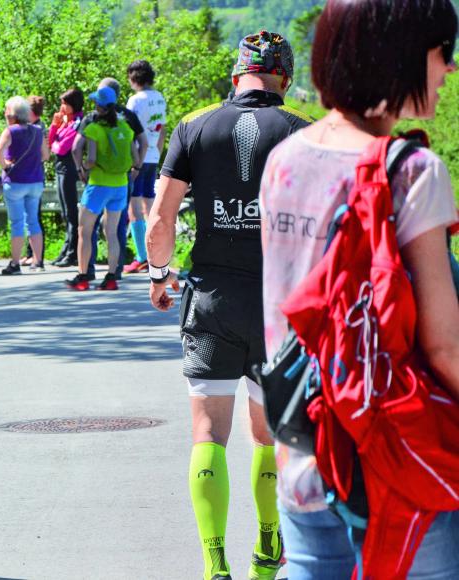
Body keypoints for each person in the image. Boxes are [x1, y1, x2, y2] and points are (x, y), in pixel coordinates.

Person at [259, 2, 459, 576]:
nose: (448, 69)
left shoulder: (284, 159)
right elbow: (443, 346)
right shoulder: (413, 171)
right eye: (441, 52)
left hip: (304, 445)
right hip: (396, 460)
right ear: (397, 54)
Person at [146, 31, 310, 580]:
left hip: (211, 297)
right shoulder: (303, 133)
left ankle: (215, 564)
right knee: (269, 435)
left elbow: (160, 219)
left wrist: (158, 273)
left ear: (235, 76)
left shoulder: (194, 126)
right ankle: (268, 549)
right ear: (283, 78)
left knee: (208, 433)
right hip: (278, 305)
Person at [72, 77, 147, 280]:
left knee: (87, 229)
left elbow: (76, 147)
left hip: (97, 182)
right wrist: (137, 167)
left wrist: (81, 169)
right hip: (122, 180)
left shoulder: (92, 121)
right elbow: (143, 142)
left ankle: (86, 271)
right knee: (115, 229)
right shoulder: (127, 119)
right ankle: (115, 272)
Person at [0, 96, 49, 275]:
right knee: (33, 221)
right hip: (35, 182)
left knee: (17, 223)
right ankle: (38, 262)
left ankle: (15, 263)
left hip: (15, 182)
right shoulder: (37, 131)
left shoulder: (10, 131)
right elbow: (46, 155)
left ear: (12, 114)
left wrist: (6, 165)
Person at [123, 60, 167, 274]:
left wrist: (134, 160)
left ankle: (142, 256)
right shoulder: (159, 98)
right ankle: (156, 255)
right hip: (153, 156)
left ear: (133, 78)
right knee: (150, 207)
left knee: (134, 208)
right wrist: (157, 153)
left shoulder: (135, 100)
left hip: (138, 158)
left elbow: (130, 131)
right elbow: (163, 129)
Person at [50, 88, 85, 268]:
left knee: (71, 213)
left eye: (65, 103)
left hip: (69, 169)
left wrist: (56, 142)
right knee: (65, 212)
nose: (62, 107)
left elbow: (62, 148)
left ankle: (72, 253)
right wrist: (55, 125)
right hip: (60, 168)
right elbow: (51, 144)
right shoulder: (66, 121)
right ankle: (66, 250)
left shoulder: (78, 122)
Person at [22, 95, 47, 266]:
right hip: (33, 175)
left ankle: (37, 255)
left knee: (34, 217)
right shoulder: (37, 126)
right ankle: (30, 253)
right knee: (29, 217)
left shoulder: (38, 128)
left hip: (33, 175)